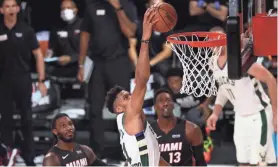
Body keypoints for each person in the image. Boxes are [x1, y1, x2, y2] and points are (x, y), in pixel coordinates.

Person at [105, 7, 169, 166]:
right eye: (127, 97)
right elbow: (141, 80)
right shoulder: (131, 114)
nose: (133, 97)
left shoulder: (130, 121)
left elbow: (156, 160)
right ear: (120, 108)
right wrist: (145, 39)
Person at [207, 26, 277, 166]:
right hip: (240, 116)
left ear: (226, 40)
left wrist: (276, 112)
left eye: (219, 39)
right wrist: (215, 113)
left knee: (259, 162)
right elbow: (223, 87)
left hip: (259, 115)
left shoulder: (242, 60)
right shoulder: (212, 63)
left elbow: (271, 80)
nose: (215, 43)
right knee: (242, 162)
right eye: (212, 40)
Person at [77, 0, 138, 156]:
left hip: (119, 62)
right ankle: (97, 151)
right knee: (94, 108)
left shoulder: (127, 5)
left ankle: (126, 149)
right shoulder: (92, 6)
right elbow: (85, 34)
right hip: (97, 63)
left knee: (123, 108)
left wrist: (117, 8)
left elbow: (130, 32)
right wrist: (81, 64)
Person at [0, 0, 47, 165]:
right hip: (4, 81)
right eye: (7, 6)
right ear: (1, 10)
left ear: (18, 9)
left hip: (23, 79)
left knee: (26, 118)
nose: (11, 9)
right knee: (5, 120)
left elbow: (38, 56)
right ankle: (6, 155)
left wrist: (41, 80)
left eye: (13, 6)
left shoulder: (26, 30)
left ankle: (29, 156)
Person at [151, 88, 207, 166]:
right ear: (155, 107)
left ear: (173, 104)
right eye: (161, 101)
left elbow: (200, 163)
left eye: (168, 100)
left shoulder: (191, 129)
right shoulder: (149, 132)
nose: (165, 103)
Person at [42, 113, 109, 166]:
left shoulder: (85, 150)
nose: (69, 128)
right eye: (63, 126)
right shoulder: (51, 159)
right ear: (55, 131)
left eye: (70, 124)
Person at [46, 0, 83, 78]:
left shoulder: (83, 26)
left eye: (68, 8)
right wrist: (49, 55)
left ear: (75, 10)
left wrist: (71, 58)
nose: (65, 11)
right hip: (60, 66)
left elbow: (90, 51)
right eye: (63, 9)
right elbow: (51, 47)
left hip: (79, 66)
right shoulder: (56, 27)